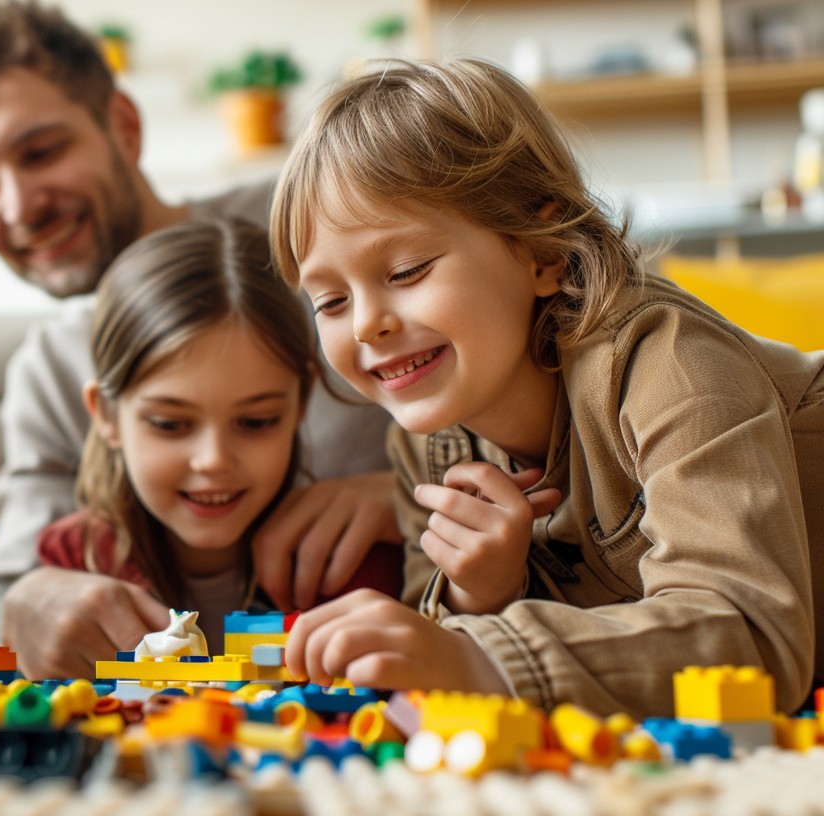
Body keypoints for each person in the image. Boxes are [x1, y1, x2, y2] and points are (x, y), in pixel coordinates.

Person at [269, 57, 824, 718]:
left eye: (408, 269)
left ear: (542, 251)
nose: (367, 324)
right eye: (329, 302)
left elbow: (753, 635)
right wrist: (480, 594)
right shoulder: (428, 445)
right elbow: (443, 657)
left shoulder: (669, 363)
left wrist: (482, 655)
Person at [0, 0, 395, 679]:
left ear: (123, 127)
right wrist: (28, 602)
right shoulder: (52, 366)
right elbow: (14, 594)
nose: (18, 205)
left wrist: (403, 494)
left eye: (42, 151)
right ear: (108, 412)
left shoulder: (313, 223)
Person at [37, 218, 403, 662]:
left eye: (256, 421)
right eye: (170, 424)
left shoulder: (352, 564)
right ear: (105, 415)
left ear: (300, 402)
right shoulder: (74, 562)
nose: (212, 460)